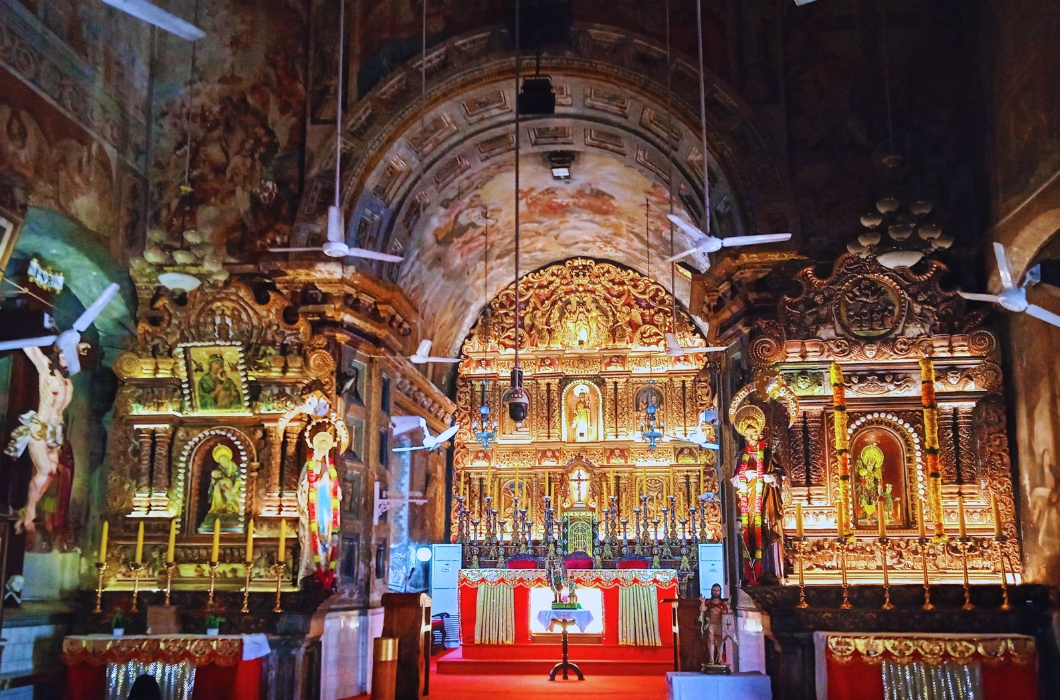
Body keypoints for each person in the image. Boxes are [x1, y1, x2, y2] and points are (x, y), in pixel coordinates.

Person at [5, 345, 73, 534]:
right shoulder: (46, 369)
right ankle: (30, 510)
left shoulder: (67, 381)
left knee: (51, 472)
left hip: (55, 432)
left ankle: (28, 508)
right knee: (45, 470)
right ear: (59, 355)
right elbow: (32, 348)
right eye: (66, 354)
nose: (68, 359)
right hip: (40, 429)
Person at [732, 405, 770, 585]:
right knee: (749, 529)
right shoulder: (742, 455)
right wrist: (745, 475)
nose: (752, 438)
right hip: (748, 493)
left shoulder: (767, 454)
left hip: (764, 494)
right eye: (748, 436)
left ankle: (763, 569)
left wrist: (766, 476)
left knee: (762, 526)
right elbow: (734, 478)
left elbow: (778, 473)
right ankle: (750, 571)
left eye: (754, 434)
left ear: (759, 434)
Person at [700, 583, 729, 667]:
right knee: (711, 642)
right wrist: (702, 602)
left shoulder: (723, 604)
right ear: (711, 591)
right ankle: (711, 659)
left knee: (720, 643)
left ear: (720, 592)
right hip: (711, 625)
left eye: (717, 591)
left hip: (720, 625)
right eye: (714, 590)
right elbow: (702, 609)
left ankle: (719, 659)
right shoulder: (709, 603)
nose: (716, 592)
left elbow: (727, 614)